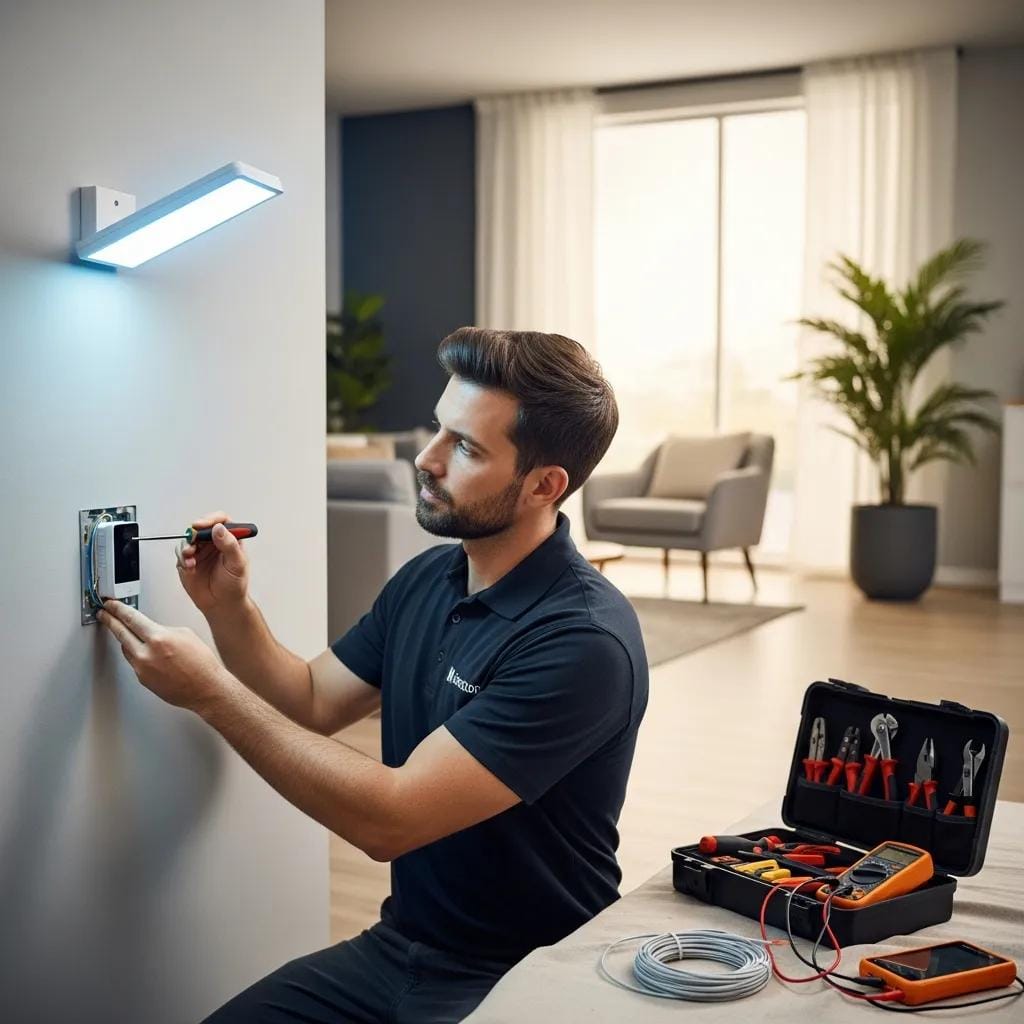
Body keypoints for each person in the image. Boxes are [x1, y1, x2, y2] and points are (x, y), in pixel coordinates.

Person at [98, 327, 649, 1023]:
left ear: (545, 485)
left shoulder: (583, 641)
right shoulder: (429, 577)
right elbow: (308, 700)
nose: (427, 458)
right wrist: (229, 610)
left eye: (467, 447)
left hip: (525, 976)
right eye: (437, 428)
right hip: (401, 948)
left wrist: (211, 693)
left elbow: (389, 820)